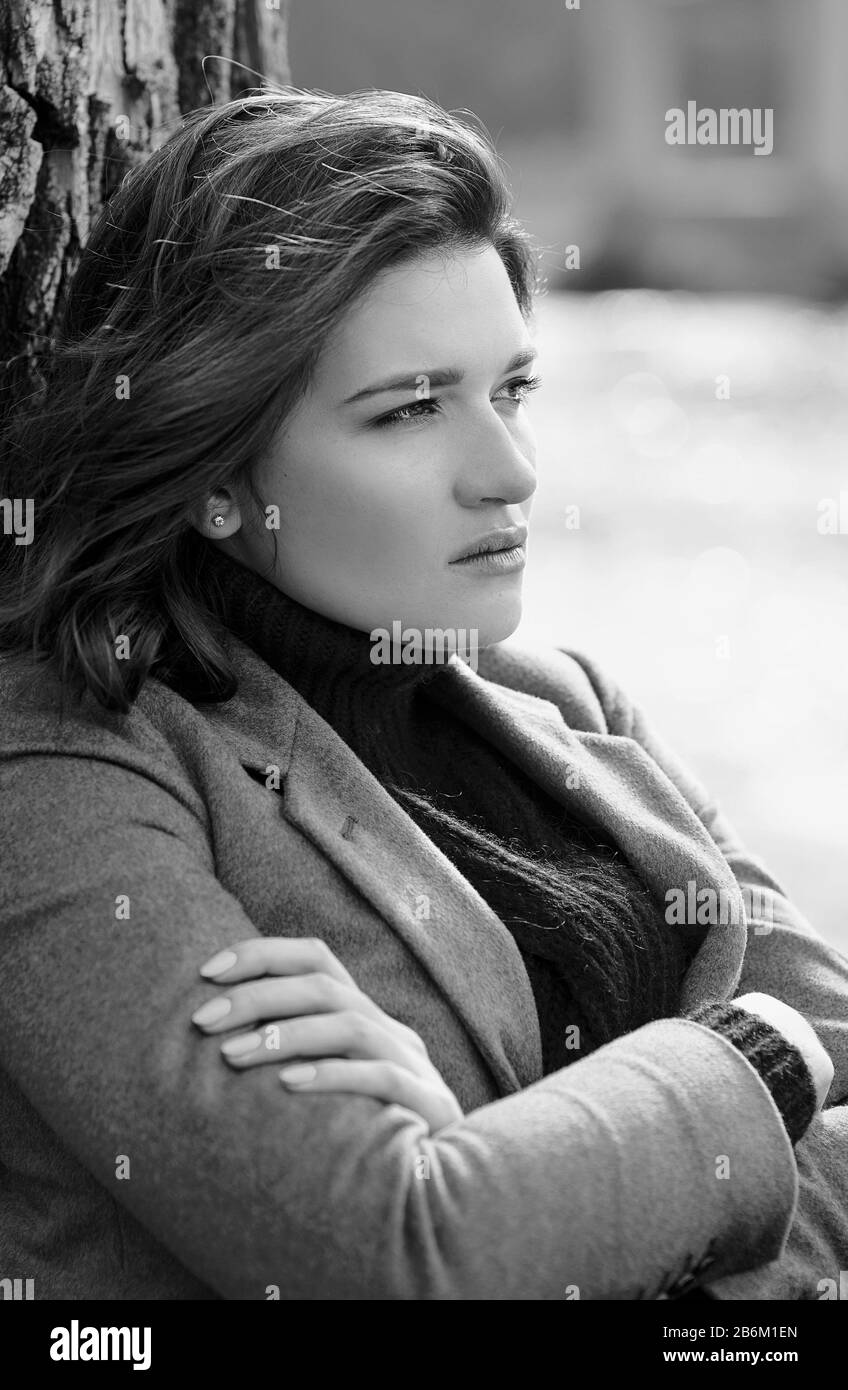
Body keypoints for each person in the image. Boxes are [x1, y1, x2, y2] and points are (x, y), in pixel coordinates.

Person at [0, 88, 846, 1302]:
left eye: (510, 390)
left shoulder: (572, 701)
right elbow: (389, 1258)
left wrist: (507, 1167)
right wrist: (752, 1065)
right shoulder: (63, 775)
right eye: (408, 409)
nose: (509, 472)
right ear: (216, 472)